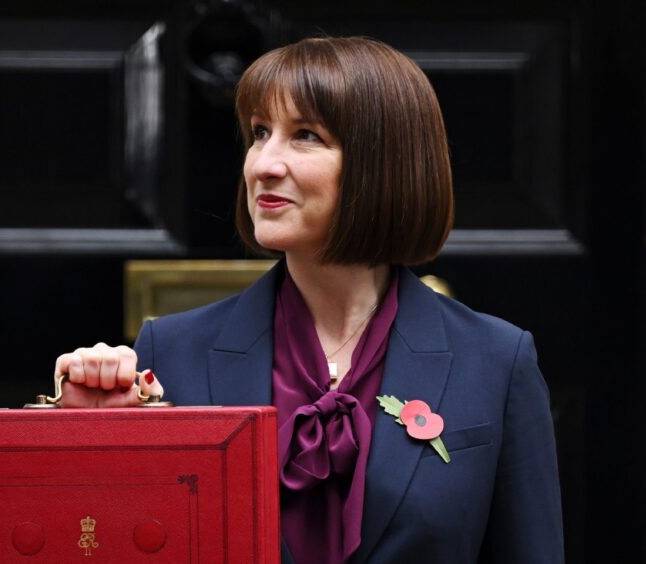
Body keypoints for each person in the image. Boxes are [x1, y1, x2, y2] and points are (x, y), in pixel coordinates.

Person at [55, 36, 564, 564]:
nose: (263, 165)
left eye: (304, 136)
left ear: (383, 163)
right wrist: (87, 439)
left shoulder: (497, 362)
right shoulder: (172, 353)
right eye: (259, 133)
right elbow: (114, 543)